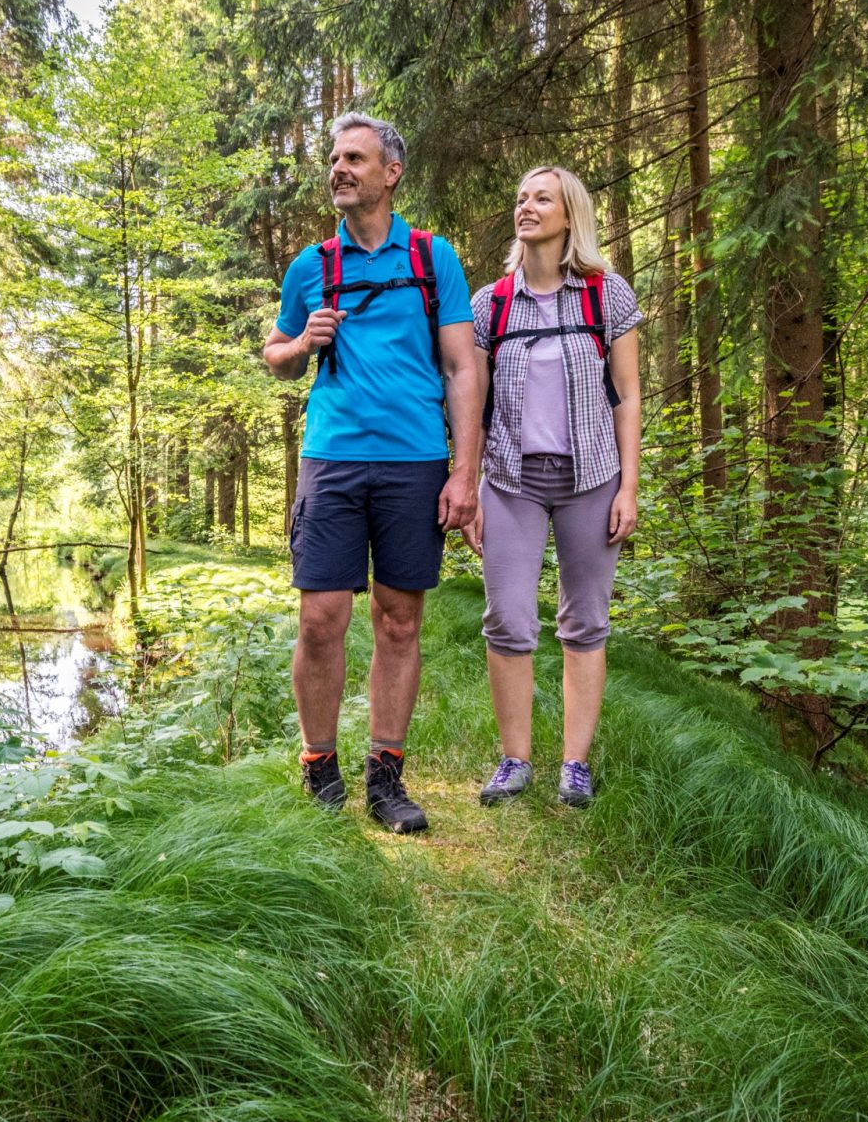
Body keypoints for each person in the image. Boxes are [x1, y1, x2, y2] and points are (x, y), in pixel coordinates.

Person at [262, 113, 485, 833]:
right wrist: (302, 341)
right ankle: (318, 766)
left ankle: (386, 777)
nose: (339, 168)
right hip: (331, 457)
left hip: (415, 459)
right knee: (320, 619)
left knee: (399, 619)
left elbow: (462, 367)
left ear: (391, 173)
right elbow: (275, 355)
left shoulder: (432, 257)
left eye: (354, 158)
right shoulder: (312, 265)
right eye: (334, 158)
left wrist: (465, 471)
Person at [465, 166, 641, 808]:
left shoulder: (605, 294)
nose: (527, 207)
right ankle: (514, 761)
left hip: (591, 479)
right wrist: (468, 486)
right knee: (507, 620)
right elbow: (471, 404)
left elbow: (628, 396)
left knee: (584, 623)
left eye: (542, 198)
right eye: (521, 198)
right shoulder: (490, 304)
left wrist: (629, 486)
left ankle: (575, 765)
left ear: (571, 215)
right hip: (510, 481)